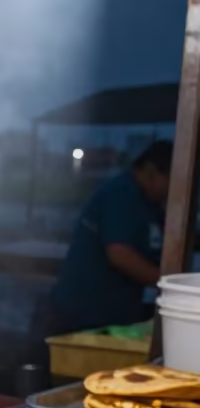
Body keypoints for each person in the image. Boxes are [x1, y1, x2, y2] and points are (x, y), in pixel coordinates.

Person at [47, 140, 173, 334]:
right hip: (84, 314)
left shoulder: (152, 206)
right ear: (150, 171)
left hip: (117, 314)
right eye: (172, 179)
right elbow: (120, 254)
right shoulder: (122, 195)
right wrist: (172, 286)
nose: (173, 188)